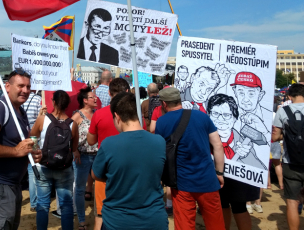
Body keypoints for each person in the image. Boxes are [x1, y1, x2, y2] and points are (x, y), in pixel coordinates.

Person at [0, 69, 42, 230]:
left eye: (28, 86)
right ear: (8, 87)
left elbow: (19, 144)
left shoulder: (20, 111)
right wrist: (16, 151)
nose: (25, 90)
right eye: (20, 86)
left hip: (12, 186)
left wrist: (32, 154)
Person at [91, 92, 168, 230]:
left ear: (117, 117)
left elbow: (95, 174)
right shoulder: (159, 142)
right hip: (154, 220)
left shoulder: (109, 144)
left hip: (117, 221)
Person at [155, 87, 225, 230]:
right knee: (216, 224)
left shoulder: (161, 122)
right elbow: (218, 145)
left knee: (184, 225)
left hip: (181, 183)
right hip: (207, 179)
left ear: (164, 104)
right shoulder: (202, 116)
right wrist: (219, 172)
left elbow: (160, 152)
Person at [205, 94, 260, 229]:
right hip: (213, 174)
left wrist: (247, 156)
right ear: (209, 115)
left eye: (226, 115)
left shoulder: (245, 142)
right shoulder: (204, 138)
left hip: (238, 177)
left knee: (239, 206)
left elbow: (258, 165)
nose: (221, 119)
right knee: (221, 205)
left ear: (234, 117)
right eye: (216, 114)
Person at [87, 78, 130, 230]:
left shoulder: (99, 114)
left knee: (100, 214)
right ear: (127, 92)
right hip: (128, 171)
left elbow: (91, 141)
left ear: (109, 93)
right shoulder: (134, 116)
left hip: (104, 170)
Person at [31, 90, 78, 230]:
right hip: (64, 168)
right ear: (67, 105)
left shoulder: (42, 119)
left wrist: (37, 151)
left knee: (43, 204)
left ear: (54, 102)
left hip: (44, 165)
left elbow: (32, 138)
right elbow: (74, 148)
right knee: (66, 205)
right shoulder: (73, 124)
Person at [272, 83, 304, 230]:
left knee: (292, 201)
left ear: (290, 96)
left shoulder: (282, 111)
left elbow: (275, 136)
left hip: (291, 163)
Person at [72, 87, 98, 230]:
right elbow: (68, 134)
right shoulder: (77, 116)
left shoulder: (97, 114)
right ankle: (82, 220)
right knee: (80, 189)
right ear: (85, 100)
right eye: (92, 97)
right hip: (82, 157)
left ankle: (100, 217)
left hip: (98, 156)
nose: (95, 99)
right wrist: (74, 150)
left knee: (101, 186)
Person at [22, 89, 43, 212]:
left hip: (21, 136)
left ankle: (33, 201)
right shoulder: (38, 100)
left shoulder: (17, 100)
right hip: (34, 138)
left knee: (28, 169)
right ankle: (34, 202)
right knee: (33, 168)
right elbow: (40, 121)